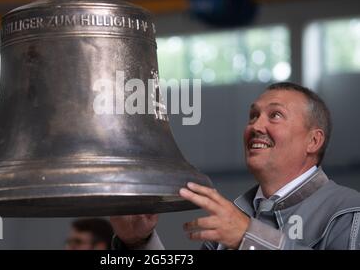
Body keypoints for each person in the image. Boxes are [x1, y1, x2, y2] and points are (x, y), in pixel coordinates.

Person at [110, 82, 360, 250]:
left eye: (275, 115)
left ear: (313, 140)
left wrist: (249, 237)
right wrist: (138, 243)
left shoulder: (348, 213)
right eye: (253, 116)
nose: (255, 126)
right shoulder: (232, 218)